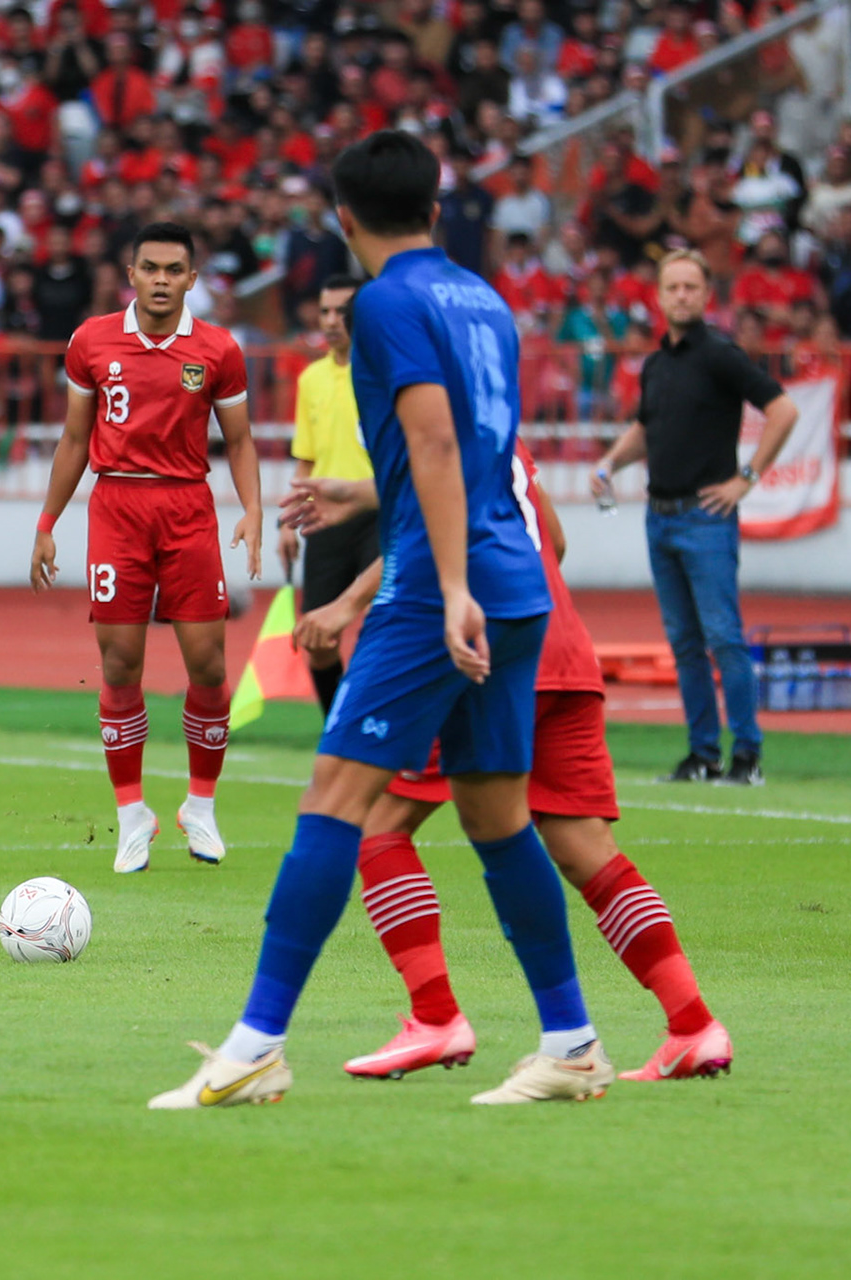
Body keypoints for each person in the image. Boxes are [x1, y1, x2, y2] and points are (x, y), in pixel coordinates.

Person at [150, 131, 607, 1111]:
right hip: (518, 580)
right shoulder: (485, 299)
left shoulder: (385, 303)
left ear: (343, 218)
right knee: (495, 815)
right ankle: (571, 1041)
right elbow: (486, 446)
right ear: (436, 210)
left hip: (442, 585)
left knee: (333, 799)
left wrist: (445, 585)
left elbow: (435, 442)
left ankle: (256, 1046)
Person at [294, 442, 733, 1083]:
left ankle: (436, 1017)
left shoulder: (434, 423)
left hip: (482, 651)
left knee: (375, 822)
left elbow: (440, 532)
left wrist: (345, 603)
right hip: (562, 647)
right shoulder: (505, 434)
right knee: (586, 850)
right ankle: (693, 1025)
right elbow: (553, 539)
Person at [30, 221, 263, 874]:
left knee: (209, 665)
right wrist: (47, 522)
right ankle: (132, 813)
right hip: (117, 507)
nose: (161, 280)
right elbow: (74, 439)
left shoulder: (218, 348)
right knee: (121, 663)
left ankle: (201, 805)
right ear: (131, 275)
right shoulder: (91, 340)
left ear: (192, 279)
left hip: (188, 508)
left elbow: (240, 440)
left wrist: (253, 509)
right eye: (150, 268)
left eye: (174, 270)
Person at [591, 249, 798, 786]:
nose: (681, 295)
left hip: (705, 517)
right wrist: (610, 463)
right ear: (658, 296)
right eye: (673, 287)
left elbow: (783, 409)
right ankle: (703, 754)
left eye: (690, 287)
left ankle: (747, 755)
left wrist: (745, 478)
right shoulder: (656, 364)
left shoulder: (721, 355)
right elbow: (647, 427)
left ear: (707, 295)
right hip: (659, 516)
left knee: (724, 637)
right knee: (685, 644)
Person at [280, 275, 370, 716]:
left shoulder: (384, 374)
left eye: (342, 311)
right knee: (317, 639)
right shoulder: (312, 378)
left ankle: (378, 732)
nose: (332, 321)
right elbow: (306, 459)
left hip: (380, 513)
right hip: (326, 519)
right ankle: (339, 727)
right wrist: (288, 522)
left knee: (385, 630)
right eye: (326, 311)